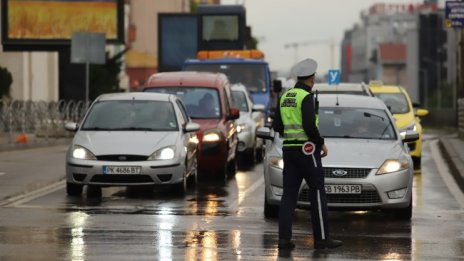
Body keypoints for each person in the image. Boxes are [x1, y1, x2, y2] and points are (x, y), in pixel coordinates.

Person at [272, 58, 343, 250]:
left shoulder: (285, 96)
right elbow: (310, 126)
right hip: (307, 150)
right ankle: (321, 238)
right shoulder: (306, 97)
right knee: (317, 191)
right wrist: (320, 143)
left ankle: (284, 240)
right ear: (311, 78)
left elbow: (276, 126)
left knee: (288, 196)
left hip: (289, 150)